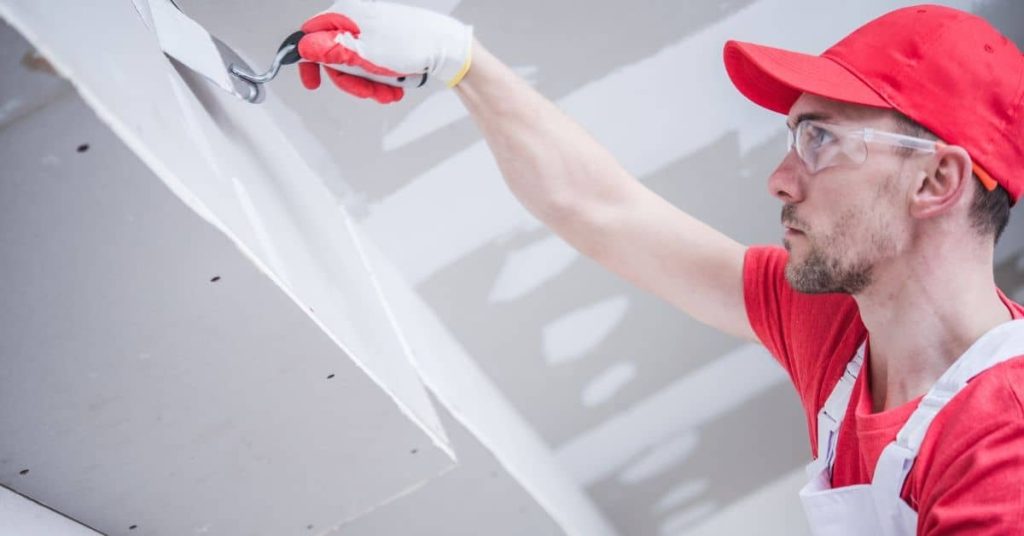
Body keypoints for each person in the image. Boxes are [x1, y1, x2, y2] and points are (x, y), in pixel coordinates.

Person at [295, 2, 1024, 534]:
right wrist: (460, 60)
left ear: (936, 182)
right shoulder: (842, 328)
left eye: (821, 140)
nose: (779, 178)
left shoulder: (1004, 456)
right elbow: (602, 208)